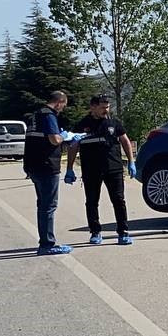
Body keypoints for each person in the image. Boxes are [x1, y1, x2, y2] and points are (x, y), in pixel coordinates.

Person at [64, 94, 136, 246]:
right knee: (91, 201)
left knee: (118, 201)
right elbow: (73, 146)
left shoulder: (113, 123)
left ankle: (123, 232)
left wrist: (131, 162)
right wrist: (69, 168)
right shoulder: (82, 125)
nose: (106, 110)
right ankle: (95, 232)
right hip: (91, 170)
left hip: (114, 169)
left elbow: (125, 141)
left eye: (108, 107)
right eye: (103, 107)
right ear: (93, 107)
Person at [23, 91, 83, 255]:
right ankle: (47, 244)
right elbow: (54, 140)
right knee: (48, 206)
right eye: (63, 105)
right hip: (47, 165)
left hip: (33, 165)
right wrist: (65, 136)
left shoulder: (36, 115)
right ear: (59, 102)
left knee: (42, 205)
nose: (63, 109)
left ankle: (45, 241)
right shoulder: (49, 115)